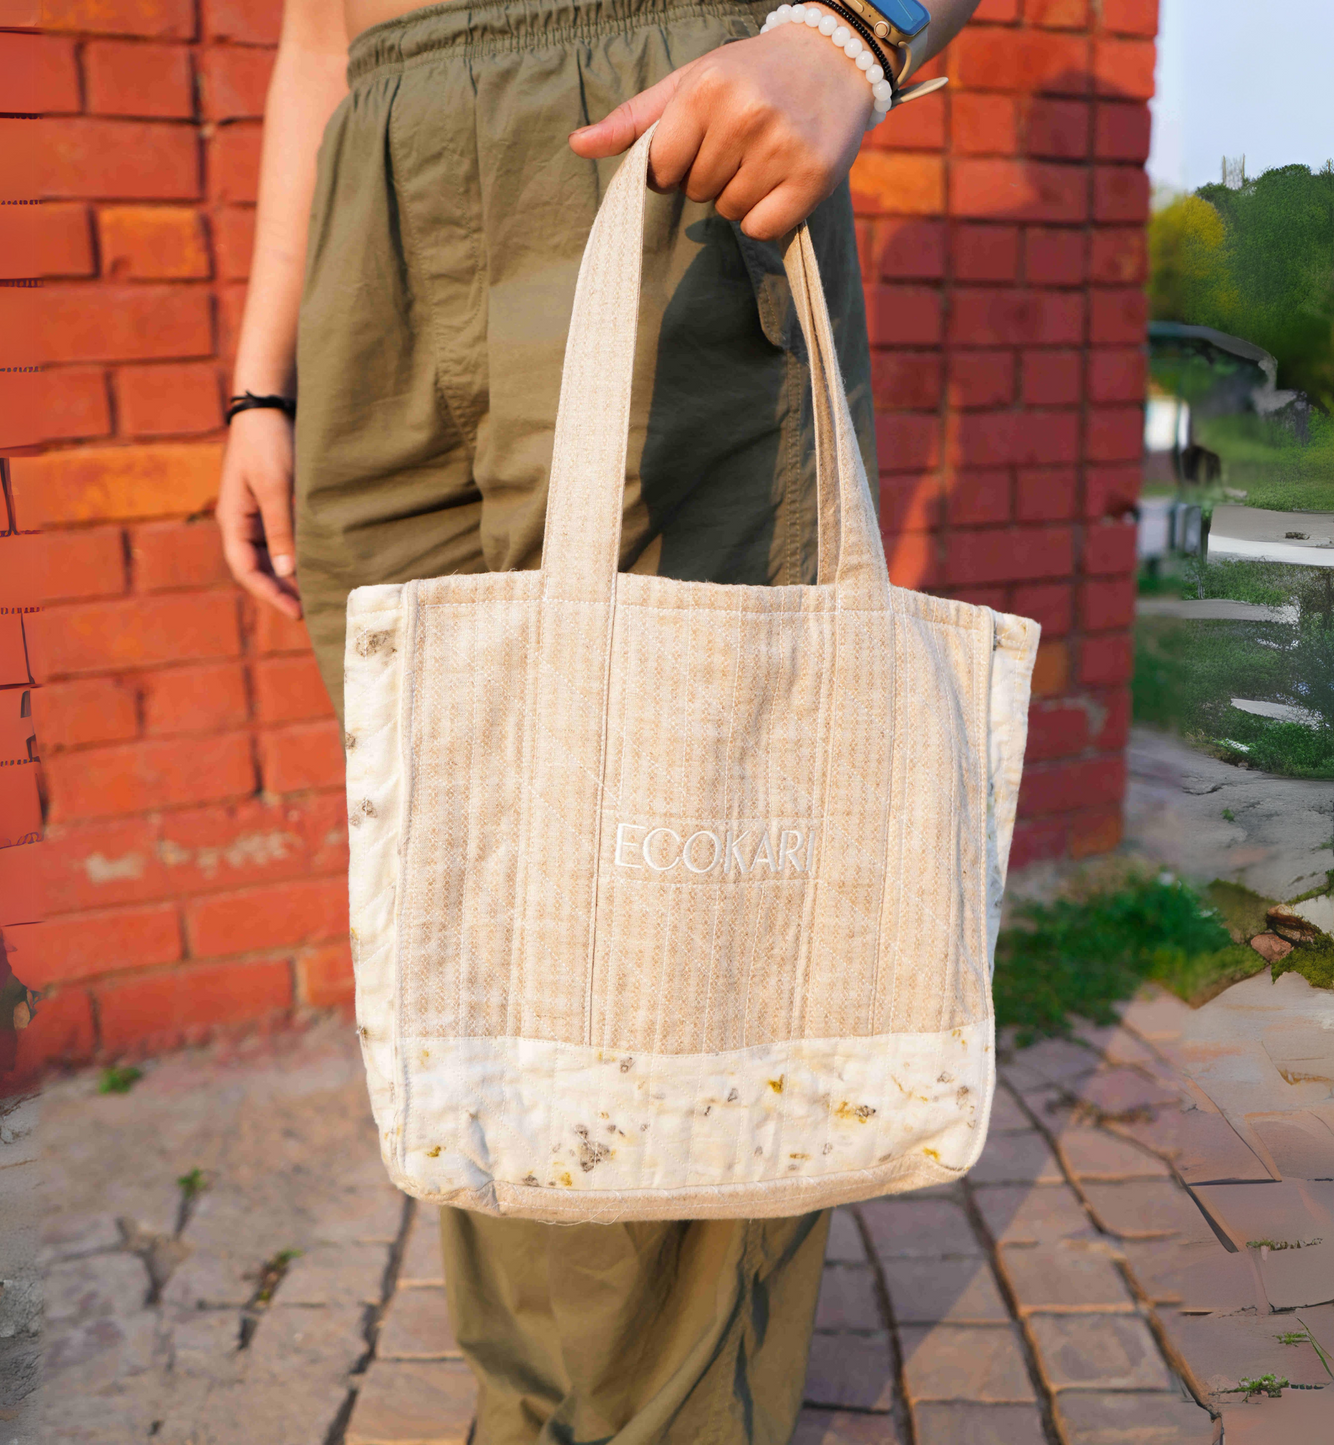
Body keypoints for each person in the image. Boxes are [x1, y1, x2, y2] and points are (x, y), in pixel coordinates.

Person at [216, 0, 978, 1437]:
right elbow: (313, 34)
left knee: (670, 920)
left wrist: (862, 35)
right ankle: (546, 1403)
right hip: (371, 205)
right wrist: (267, 383)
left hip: (661, 118)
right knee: (484, 903)